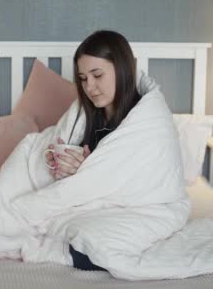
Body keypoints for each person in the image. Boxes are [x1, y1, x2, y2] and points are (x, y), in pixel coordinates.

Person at [44, 30, 142, 271]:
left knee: (92, 250)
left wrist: (88, 171)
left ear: (122, 68)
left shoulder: (143, 121)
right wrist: (57, 162)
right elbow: (58, 146)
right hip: (81, 210)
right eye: (83, 78)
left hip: (124, 210)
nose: (90, 87)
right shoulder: (84, 115)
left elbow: (141, 180)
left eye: (97, 75)